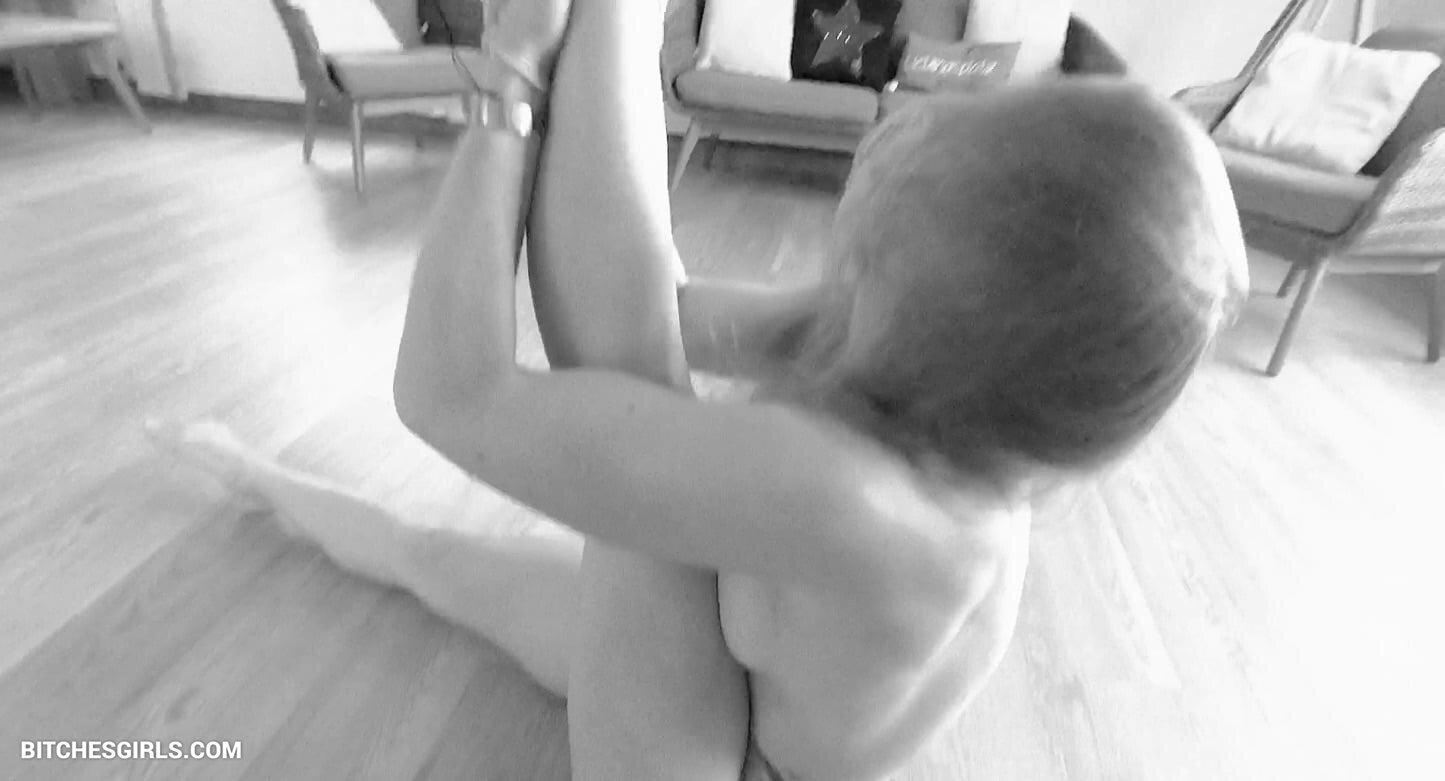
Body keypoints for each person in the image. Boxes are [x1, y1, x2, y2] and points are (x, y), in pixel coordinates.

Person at [149, 0, 1249, 777]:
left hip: (734, 764)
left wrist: (509, 84)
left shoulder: (859, 499)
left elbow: (450, 393)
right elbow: (646, 305)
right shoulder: (945, 382)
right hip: (733, 682)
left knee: (620, 398)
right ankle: (250, 477)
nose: (904, 127)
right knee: (432, 554)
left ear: (921, 288)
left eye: (934, 153)